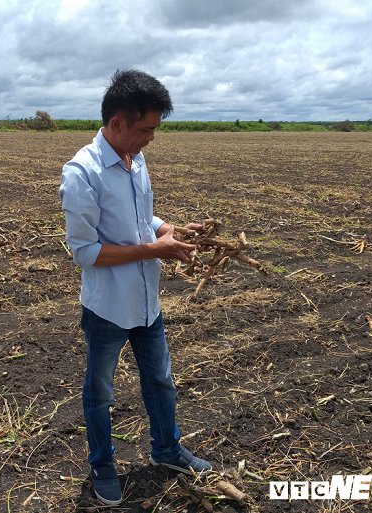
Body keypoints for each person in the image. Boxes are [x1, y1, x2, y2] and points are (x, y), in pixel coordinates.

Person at [59, 69, 212, 506]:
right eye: (145, 129)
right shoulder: (81, 174)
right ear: (117, 123)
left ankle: (167, 449)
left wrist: (171, 229)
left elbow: (141, 217)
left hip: (147, 302)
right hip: (108, 307)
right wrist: (153, 250)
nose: (151, 139)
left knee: (161, 380)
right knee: (100, 391)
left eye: (154, 130)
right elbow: (85, 252)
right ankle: (102, 466)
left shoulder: (134, 158)